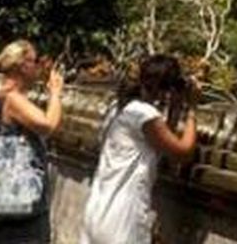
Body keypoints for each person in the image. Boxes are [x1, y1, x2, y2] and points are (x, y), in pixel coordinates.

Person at [80, 55, 199, 244]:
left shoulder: (120, 109)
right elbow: (183, 152)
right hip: (122, 222)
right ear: (166, 88)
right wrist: (192, 109)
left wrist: (176, 108)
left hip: (99, 213)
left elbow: (162, 141)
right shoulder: (144, 115)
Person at [0, 39, 65, 244]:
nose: (37, 68)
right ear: (21, 65)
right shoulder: (13, 99)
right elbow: (48, 125)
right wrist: (55, 94)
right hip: (20, 204)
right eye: (34, 62)